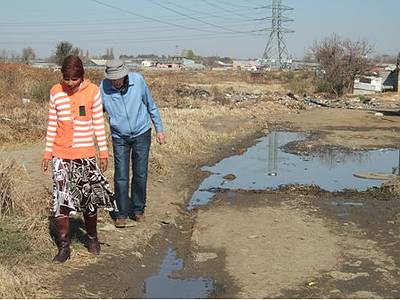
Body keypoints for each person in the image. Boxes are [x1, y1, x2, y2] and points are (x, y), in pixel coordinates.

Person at [42, 55, 116, 263]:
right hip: (61, 155)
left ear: (82, 76)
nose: (70, 83)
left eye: (74, 79)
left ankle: (92, 237)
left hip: (85, 156)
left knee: (88, 199)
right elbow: (52, 126)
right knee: (61, 201)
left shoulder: (93, 92)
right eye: (66, 79)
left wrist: (103, 152)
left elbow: (98, 125)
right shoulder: (56, 92)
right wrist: (48, 154)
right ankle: (64, 247)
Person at [100, 59, 165, 228]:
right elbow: (95, 111)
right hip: (119, 136)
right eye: (113, 78)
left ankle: (138, 210)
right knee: (121, 176)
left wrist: (159, 129)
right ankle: (121, 214)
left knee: (140, 173)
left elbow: (151, 105)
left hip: (142, 133)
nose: (116, 81)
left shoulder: (138, 81)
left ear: (125, 74)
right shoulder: (103, 88)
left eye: (119, 77)